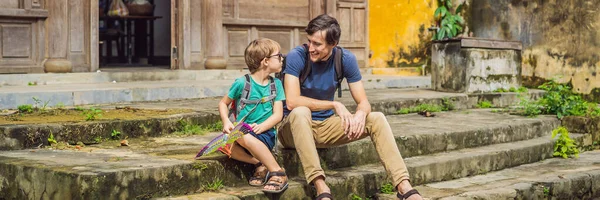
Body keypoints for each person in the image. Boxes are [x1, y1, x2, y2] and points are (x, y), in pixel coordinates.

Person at [277, 14, 423, 200]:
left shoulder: (345, 59)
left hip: (325, 127)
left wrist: (361, 114)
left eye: (318, 44)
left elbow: (363, 102)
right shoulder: (297, 56)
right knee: (300, 111)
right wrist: (334, 104)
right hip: (292, 129)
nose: (311, 48)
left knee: (376, 118)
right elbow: (292, 100)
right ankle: (321, 187)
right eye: (310, 42)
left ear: (333, 43)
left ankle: (404, 187)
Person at [218, 38, 288, 193]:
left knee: (242, 136)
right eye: (278, 56)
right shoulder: (242, 83)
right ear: (265, 61)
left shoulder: (276, 85)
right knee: (226, 145)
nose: (282, 58)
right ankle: (259, 163)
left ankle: (277, 172)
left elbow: (278, 115)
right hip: (243, 134)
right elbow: (223, 103)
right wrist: (226, 122)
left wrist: (263, 126)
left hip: (264, 134)